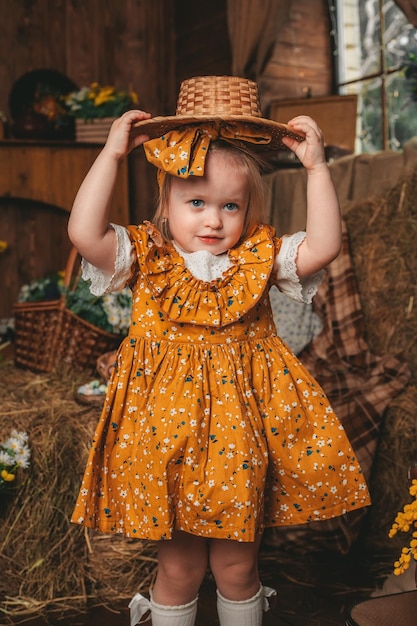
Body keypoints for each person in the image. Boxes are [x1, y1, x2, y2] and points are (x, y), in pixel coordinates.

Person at [68, 76, 371, 626]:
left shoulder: (257, 258)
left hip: (238, 440)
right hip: (167, 443)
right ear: (166, 203)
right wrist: (112, 154)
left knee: (237, 568)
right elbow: (84, 232)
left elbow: (324, 246)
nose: (213, 219)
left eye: (230, 205)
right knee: (179, 570)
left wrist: (317, 169)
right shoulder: (146, 256)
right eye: (196, 202)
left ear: (248, 209)